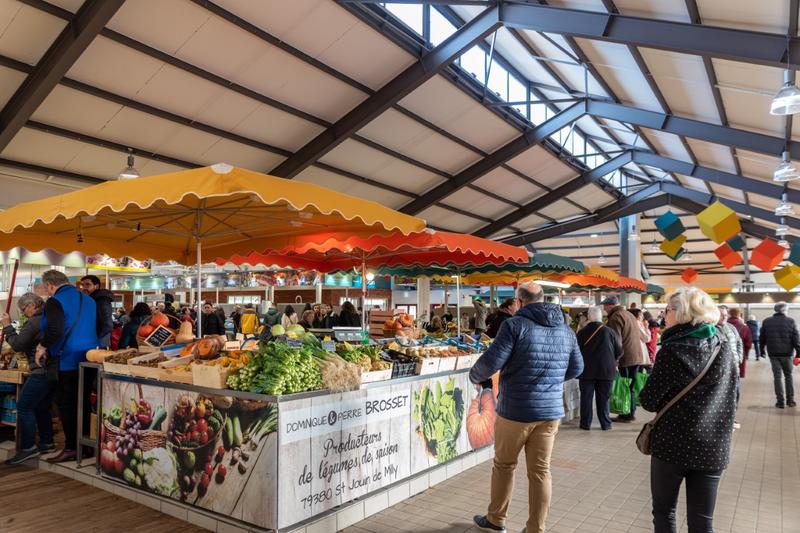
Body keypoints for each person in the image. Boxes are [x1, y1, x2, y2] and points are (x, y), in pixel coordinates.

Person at [470, 282, 583, 533]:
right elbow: (577, 368)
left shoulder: (514, 325)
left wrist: (475, 375)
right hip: (550, 412)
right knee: (541, 471)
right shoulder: (566, 329)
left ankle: (496, 520)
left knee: (504, 465)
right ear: (542, 299)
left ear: (520, 301)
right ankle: (536, 528)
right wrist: (551, 381)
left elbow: (491, 362)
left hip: (516, 411)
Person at [639, 287, 737, 533]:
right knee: (702, 521)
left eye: (668, 309)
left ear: (683, 313)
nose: (664, 314)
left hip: (672, 443)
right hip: (713, 445)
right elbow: (734, 394)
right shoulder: (723, 345)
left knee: (664, 513)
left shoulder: (672, 349)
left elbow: (648, 401)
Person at [37, 270, 98, 463]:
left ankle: (72, 447)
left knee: (67, 404)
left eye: (46, 288)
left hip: (66, 359)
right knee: (84, 402)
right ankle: (86, 446)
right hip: (89, 357)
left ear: (50, 285)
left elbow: (55, 329)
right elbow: (103, 325)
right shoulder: (89, 300)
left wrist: (42, 346)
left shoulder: (55, 301)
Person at [2, 293, 55, 464]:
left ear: (32, 305)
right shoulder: (50, 317)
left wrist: (7, 326)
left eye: (24, 309)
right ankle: (47, 442)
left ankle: (28, 447)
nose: (24, 313)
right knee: (42, 406)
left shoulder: (34, 322)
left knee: (24, 406)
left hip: (40, 370)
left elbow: (18, 345)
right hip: (54, 370)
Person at [576, 306, 623, 431]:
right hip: (606, 370)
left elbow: (575, 351)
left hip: (586, 371)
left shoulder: (582, 332)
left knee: (586, 398)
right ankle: (605, 424)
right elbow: (620, 351)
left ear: (589, 317)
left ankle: (585, 424)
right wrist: (612, 359)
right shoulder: (610, 331)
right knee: (604, 398)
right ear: (601, 317)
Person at [603, 296, 649, 422]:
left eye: (605, 306)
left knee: (625, 385)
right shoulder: (628, 314)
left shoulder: (615, 316)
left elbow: (616, 340)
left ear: (610, 305)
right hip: (636, 355)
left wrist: (615, 359)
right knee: (630, 386)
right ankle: (630, 412)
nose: (604, 309)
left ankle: (626, 413)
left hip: (626, 357)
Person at [760, 302, 800, 408]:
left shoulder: (767, 321)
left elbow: (762, 337)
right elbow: (796, 339)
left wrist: (761, 350)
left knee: (777, 377)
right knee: (788, 376)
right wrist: (798, 353)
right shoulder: (791, 321)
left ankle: (780, 402)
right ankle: (790, 401)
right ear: (785, 310)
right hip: (787, 354)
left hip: (773, 353)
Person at [717, 305, 743, 429]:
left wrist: (739, 357)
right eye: (721, 315)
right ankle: (721, 418)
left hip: (735, 368)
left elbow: (739, 342)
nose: (724, 317)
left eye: (726, 315)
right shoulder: (711, 329)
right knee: (721, 396)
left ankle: (731, 417)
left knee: (735, 394)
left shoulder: (731, 327)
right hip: (721, 371)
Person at [80, 275, 114, 348]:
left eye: (88, 284)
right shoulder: (90, 299)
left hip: (99, 340)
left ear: (96, 286)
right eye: (82, 285)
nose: (84, 288)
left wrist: (95, 337)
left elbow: (107, 324)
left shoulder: (101, 300)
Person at [727, 308, 751, 379]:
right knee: (737, 375)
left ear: (729, 314)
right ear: (739, 315)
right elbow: (748, 343)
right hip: (739, 353)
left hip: (724, 353)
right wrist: (745, 354)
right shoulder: (744, 327)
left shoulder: (723, 325)